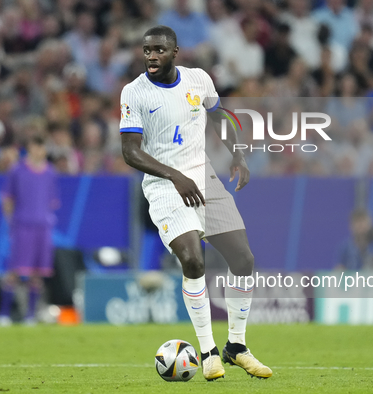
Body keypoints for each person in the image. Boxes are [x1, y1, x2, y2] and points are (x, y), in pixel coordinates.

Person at [120, 25, 271, 380]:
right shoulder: (135, 92)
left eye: (158, 50)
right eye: (146, 51)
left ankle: (237, 346)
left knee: (243, 259)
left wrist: (238, 154)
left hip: (203, 177)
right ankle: (208, 353)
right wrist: (174, 175)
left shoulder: (199, 80)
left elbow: (220, 116)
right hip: (164, 185)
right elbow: (129, 152)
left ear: (175, 52)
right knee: (193, 259)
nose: (151, 56)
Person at [0, 135, 60, 326]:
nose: (39, 150)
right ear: (30, 147)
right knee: (15, 271)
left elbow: (52, 201)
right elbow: (7, 199)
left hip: (43, 228)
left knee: (37, 274)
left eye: (42, 146)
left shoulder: (50, 172)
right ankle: (4, 314)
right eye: (36, 145)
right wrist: (12, 223)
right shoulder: (17, 171)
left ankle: (30, 316)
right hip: (23, 226)